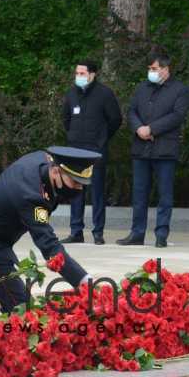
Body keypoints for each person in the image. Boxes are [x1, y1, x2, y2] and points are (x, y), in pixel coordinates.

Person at [0, 146, 101, 322]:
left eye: (82, 184)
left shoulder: (44, 161)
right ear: (55, 172)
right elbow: (49, 246)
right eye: (75, 182)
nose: (79, 189)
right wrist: (85, 282)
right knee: (22, 311)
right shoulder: (31, 195)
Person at [117, 52, 189, 248]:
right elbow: (131, 111)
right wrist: (139, 128)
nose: (151, 72)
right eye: (149, 69)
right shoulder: (142, 88)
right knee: (139, 193)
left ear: (166, 70)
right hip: (141, 149)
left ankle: (161, 234)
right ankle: (137, 233)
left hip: (165, 149)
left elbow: (177, 115)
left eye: (154, 69)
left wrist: (152, 129)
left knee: (164, 194)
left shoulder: (180, 90)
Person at [60, 61, 122, 245]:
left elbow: (115, 119)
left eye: (82, 72)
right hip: (75, 150)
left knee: (97, 192)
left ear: (92, 74)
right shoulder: (71, 93)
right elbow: (66, 118)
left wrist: (102, 137)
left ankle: (98, 232)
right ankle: (76, 231)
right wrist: (72, 135)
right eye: (76, 72)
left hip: (96, 150)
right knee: (75, 190)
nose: (78, 75)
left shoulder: (104, 93)